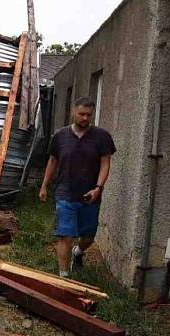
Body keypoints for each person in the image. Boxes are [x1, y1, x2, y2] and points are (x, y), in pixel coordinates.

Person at [39, 97, 116, 277]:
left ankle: (78, 252)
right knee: (65, 234)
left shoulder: (102, 137)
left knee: (88, 236)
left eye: (88, 115)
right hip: (65, 192)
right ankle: (63, 275)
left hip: (90, 195)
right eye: (81, 114)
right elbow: (52, 160)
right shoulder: (60, 136)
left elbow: (105, 163)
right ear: (74, 112)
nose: (84, 118)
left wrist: (98, 188)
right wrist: (44, 186)